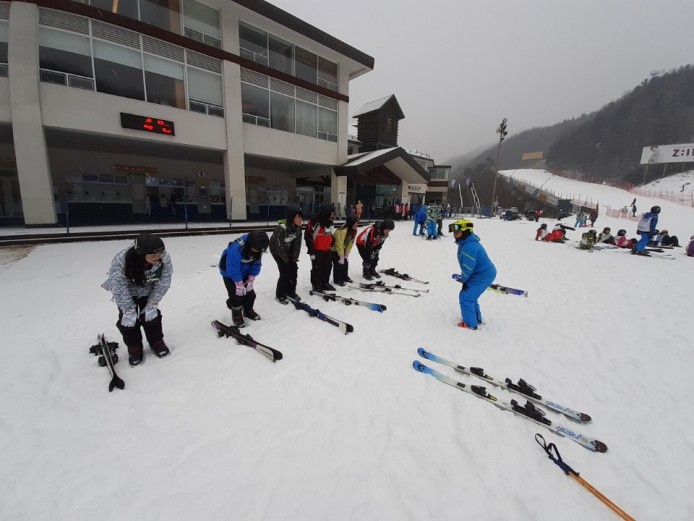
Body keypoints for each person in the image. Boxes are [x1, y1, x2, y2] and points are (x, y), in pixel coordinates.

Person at [102, 234, 172, 366]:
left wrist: (152, 303)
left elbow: (164, 281)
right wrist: (128, 310)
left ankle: (156, 341)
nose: (157, 257)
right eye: (153, 255)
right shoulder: (121, 260)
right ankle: (134, 347)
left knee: (151, 316)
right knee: (129, 321)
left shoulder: (164, 257)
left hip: (149, 290)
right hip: (127, 293)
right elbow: (118, 286)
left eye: (159, 254)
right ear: (141, 253)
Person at [449, 219, 497, 330]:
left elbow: (467, 267)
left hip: (482, 275)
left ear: (466, 232)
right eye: (454, 232)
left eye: (457, 232)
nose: (454, 235)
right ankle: (476, 318)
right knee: (471, 296)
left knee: (466, 297)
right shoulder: (466, 243)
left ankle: (470, 323)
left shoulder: (469, 247)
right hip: (480, 273)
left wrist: (464, 280)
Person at [219, 230, 269, 327]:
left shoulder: (257, 246)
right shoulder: (236, 248)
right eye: (256, 249)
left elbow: (256, 263)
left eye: (260, 249)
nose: (258, 251)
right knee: (237, 296)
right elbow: (233, 268)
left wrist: (251, 278)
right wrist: (239, 283)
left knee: (250, 294)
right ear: (250, 244)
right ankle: (236, 313)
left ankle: (248, 310)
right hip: (229, 273)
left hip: (244, 270)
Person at [269, 205, 303, 304]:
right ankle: (280, 294)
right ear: (291, 217)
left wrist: (294, 259)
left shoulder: (298, 228)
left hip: (288, 249)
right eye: (298, 217)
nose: (301, 219)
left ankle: (291, 292)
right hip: (276, 250)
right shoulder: (281, 228)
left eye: (301, 217)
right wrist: (287, 261)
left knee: (294, 270)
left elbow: (297, 245)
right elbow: (279, 247)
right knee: (285, 271)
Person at [304, 203, 336, 292]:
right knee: (317, 268)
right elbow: (308, 236)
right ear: (326, 213)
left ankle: (325, 282)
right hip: (317, 250)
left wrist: (332, 241)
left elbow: (329, 233)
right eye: (331, 213)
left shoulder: (330, 221)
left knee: (328, 266)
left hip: (327, 249)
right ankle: (316, 284)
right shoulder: (315, 222)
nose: (333, 215)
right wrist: (311, 250)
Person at [331, 215, 358, 286]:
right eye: (355, 223)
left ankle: (344, 276)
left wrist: (346, 254)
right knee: (338, 264)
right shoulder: (342, 231)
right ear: (351, 223)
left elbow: (350, 243)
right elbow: (338, 244)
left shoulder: (353, 230)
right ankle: (337, 279)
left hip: (342, 249)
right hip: (334, 249)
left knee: (345, 262)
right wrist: (341, 256)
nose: (357, 225)